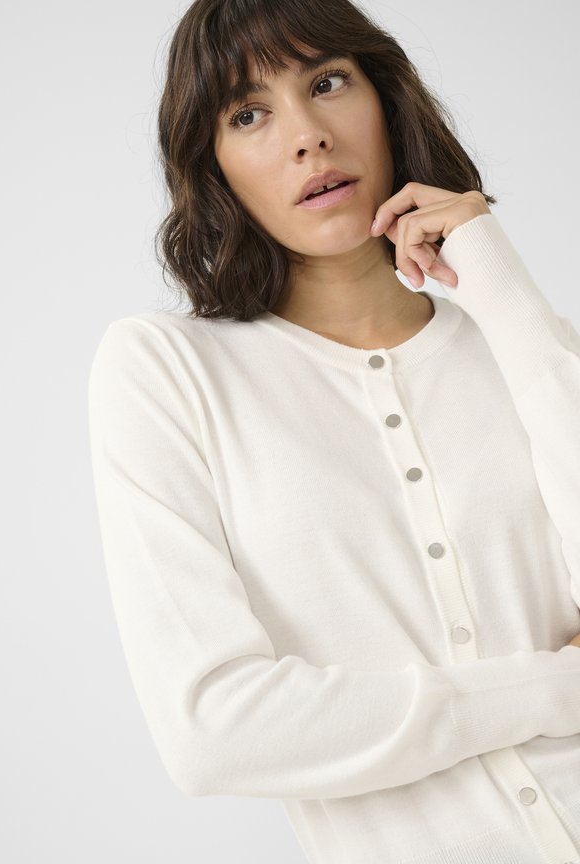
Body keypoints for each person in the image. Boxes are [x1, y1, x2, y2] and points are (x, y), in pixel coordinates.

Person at [87, 0, 580, 862]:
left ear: (385, 99)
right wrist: (556, 688)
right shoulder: (168, 371)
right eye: (248, 114)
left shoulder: (524, 347)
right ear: (213, 166)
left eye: (326, 83)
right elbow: (214, 731)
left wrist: (505, 293)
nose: (307, 136)